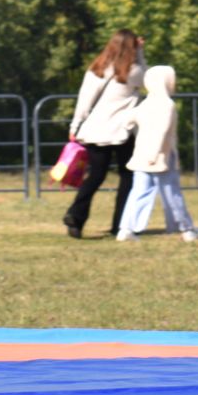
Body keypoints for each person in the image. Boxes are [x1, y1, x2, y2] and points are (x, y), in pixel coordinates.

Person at [63, 29, 143, 240]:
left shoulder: (96, 69)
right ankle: (121, 224)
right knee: (128, 177)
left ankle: (75, 216)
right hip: (122, 131)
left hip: (95, 131)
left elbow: (84, 101)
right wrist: (141, 52)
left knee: (96, 176)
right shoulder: (133, 72)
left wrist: (75, 126)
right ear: (131, 47)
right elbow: (148, 79)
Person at [116, 65, 198, 242]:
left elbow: (128, 119)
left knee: (139, 192)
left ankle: (126, 229)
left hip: (141, 155)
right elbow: (162, 132)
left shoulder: (145, 104)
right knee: (172, 193)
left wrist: (127, 127)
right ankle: (186, 229)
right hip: (161, 157)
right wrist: (155, 154)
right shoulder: (167, 105)